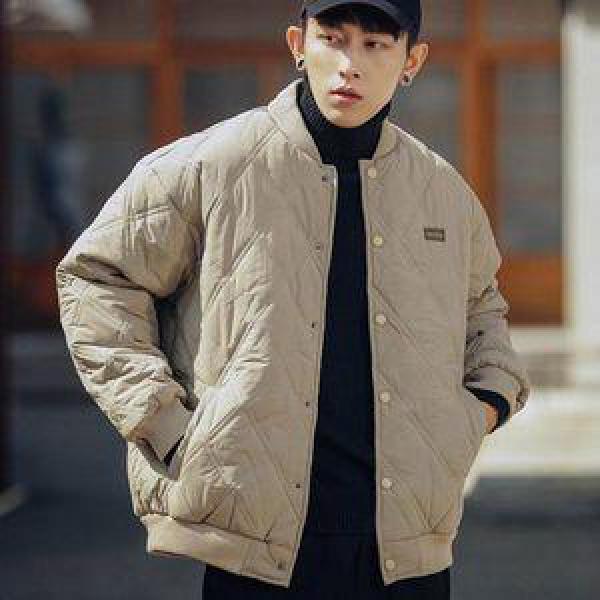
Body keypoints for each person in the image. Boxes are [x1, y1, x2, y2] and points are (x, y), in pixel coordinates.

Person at [55, 1, 531, 598]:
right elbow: (98, 277)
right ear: (298, 45)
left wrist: (479, 408)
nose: (349, 65)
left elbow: (483, 309)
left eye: (375, 46)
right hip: (256, 548)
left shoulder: (442, 192)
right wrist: (167, 423)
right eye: (332, 39)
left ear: (412, 61)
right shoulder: (215, 163)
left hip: (408, 550)